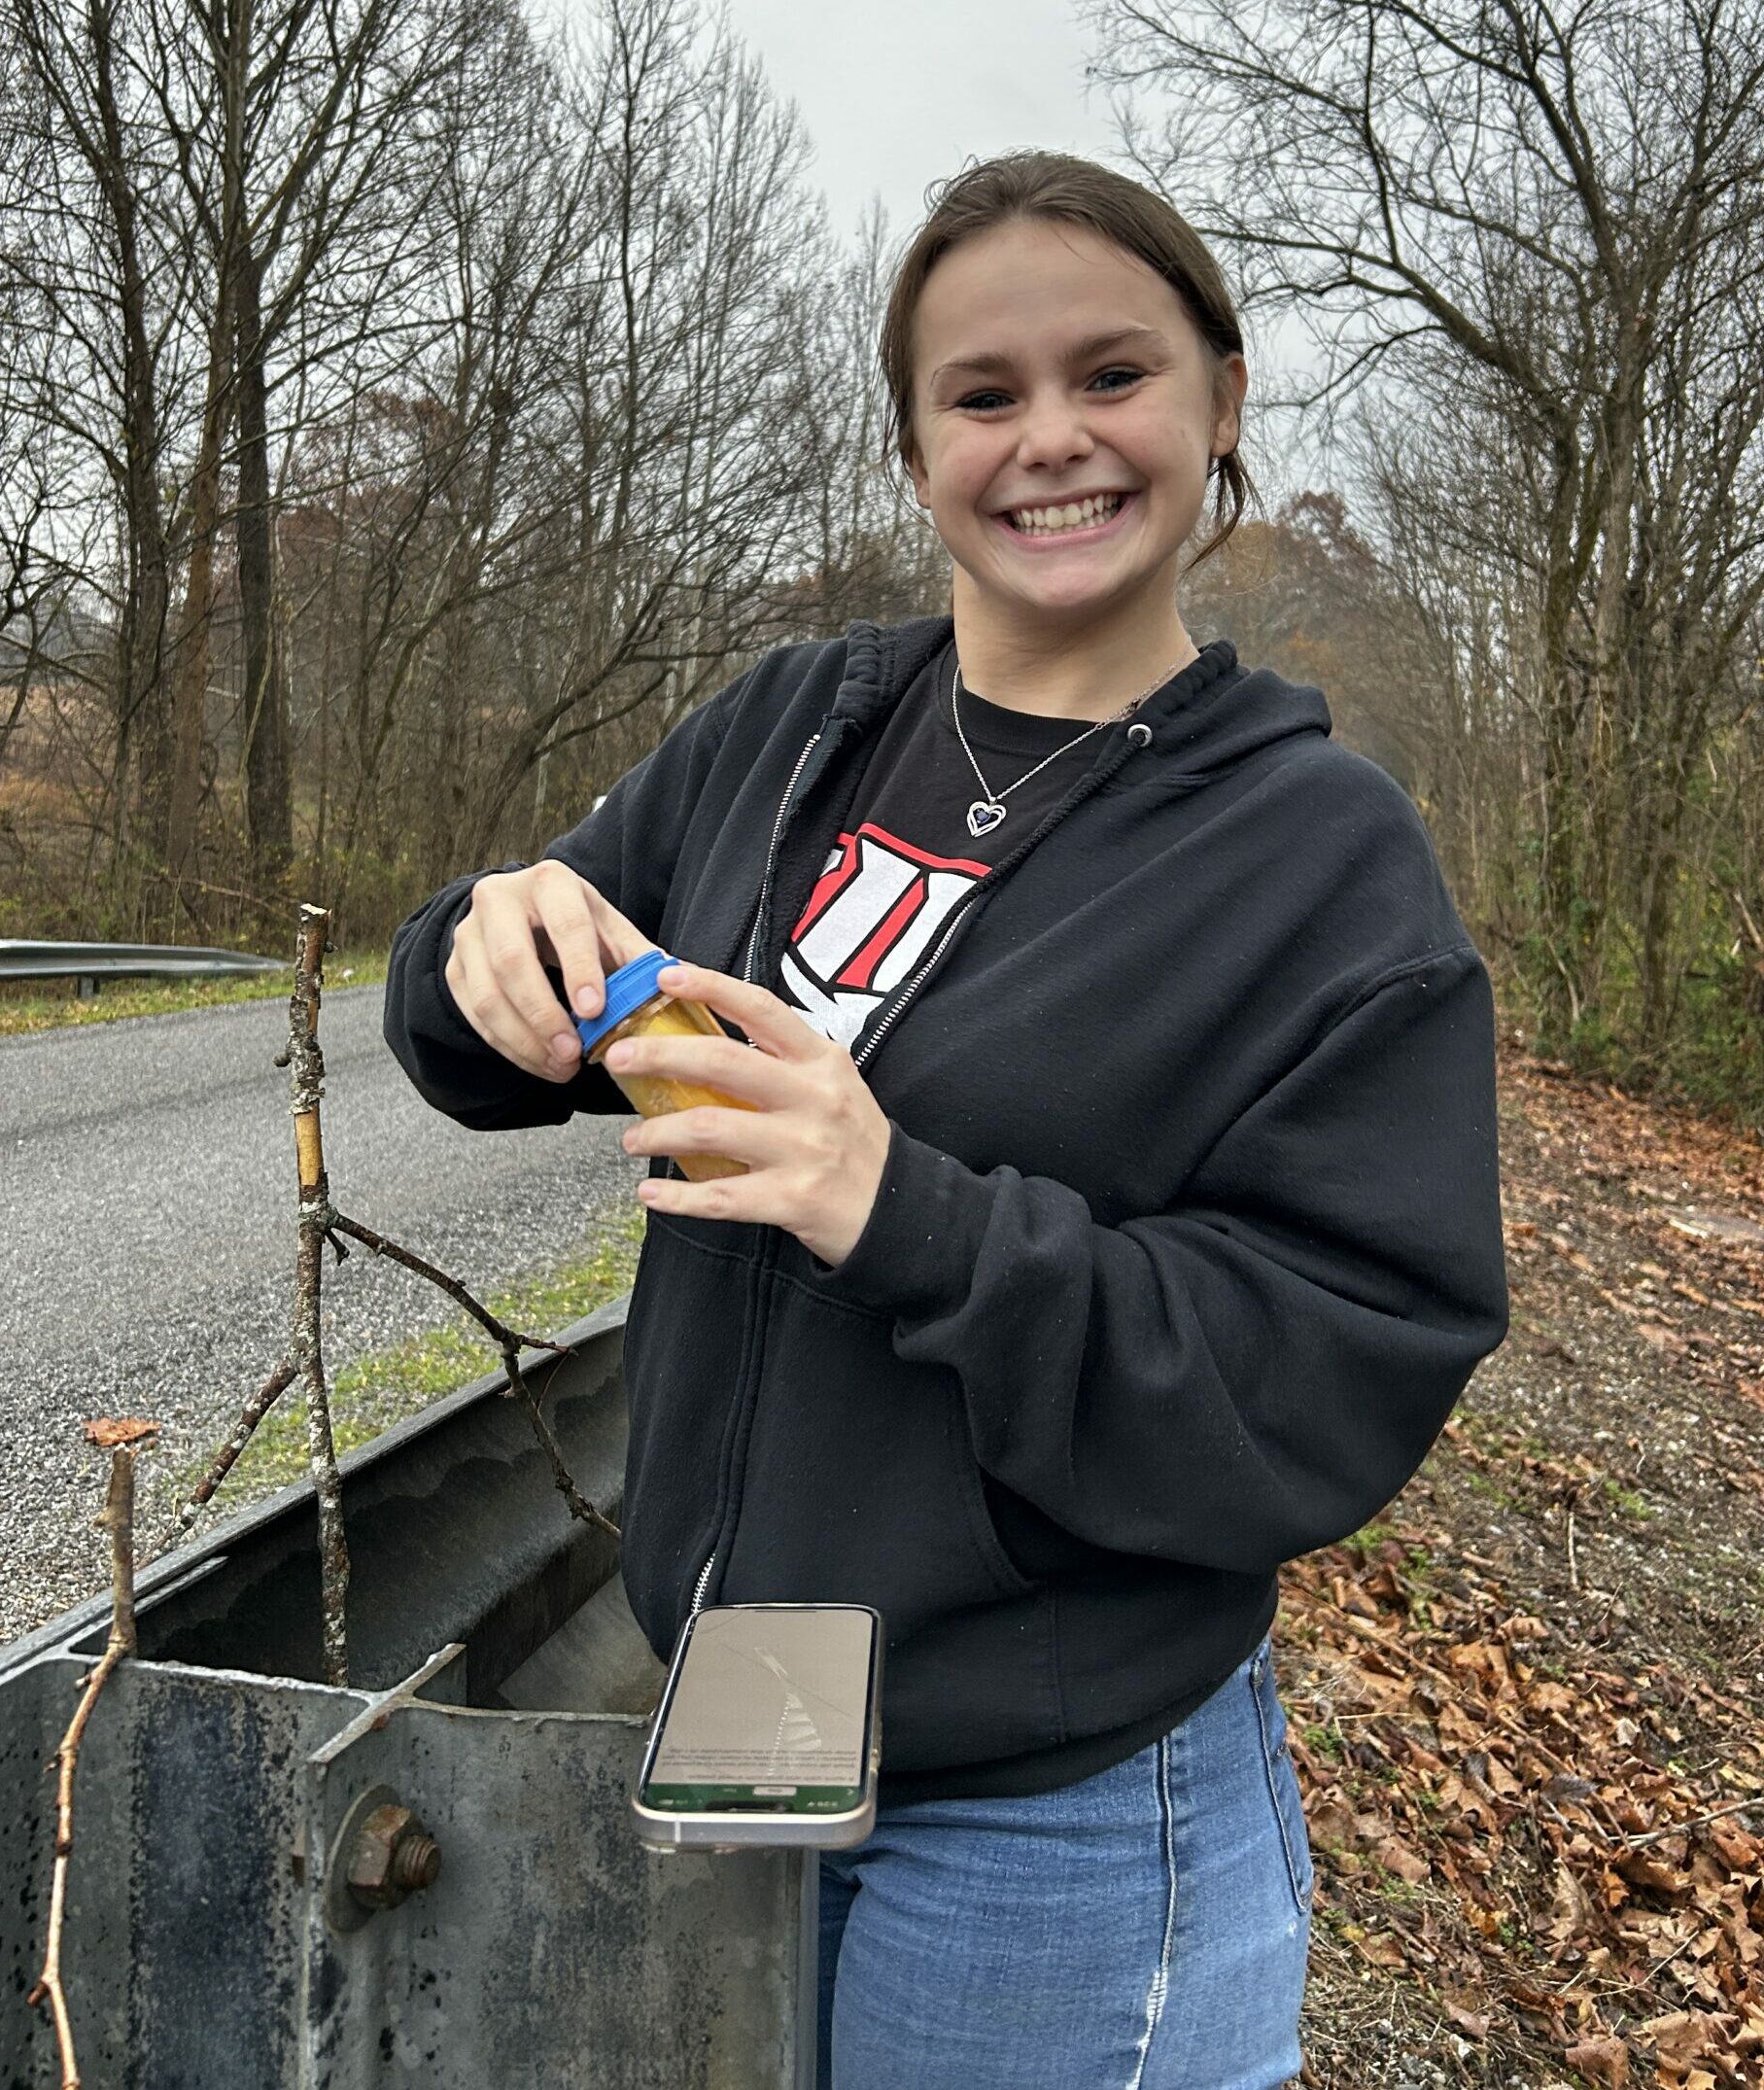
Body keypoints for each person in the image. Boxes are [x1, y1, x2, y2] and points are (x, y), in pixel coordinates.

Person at [383, 151, 1509, 2090]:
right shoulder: (792, 729)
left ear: (1221, 402)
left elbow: (1337, 1370)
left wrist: (904, 1209)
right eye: (984, 393)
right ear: (916, 453)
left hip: (1053, 1820)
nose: (1050, 436)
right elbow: (485, 1026)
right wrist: (475, 944)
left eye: (1112, 374)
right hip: (744, 1738)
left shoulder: (1318, 858)